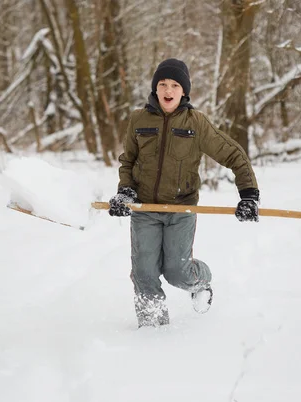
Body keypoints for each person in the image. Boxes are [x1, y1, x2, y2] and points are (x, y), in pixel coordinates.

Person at [108, 58, 259, 328]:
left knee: (177, 272)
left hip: (181, 210)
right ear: (155, 89)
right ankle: (152, 329)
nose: (168, 90)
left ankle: (201, 281)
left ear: (184, 91)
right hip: (144, 210)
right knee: (144, 273)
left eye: (175, 85)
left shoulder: (196, 123)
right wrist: (126, 191)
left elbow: (234, 154)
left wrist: (248, 194)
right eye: (162, 84)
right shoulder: (138, 120)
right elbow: (128, 161)